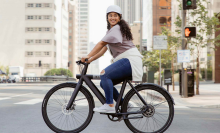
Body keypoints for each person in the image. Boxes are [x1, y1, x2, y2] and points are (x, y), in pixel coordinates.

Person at [81, 5, 143, 113]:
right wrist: (90, 60)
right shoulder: (112, 31)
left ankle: (109, 105)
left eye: (115, 15)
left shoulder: (116, 28)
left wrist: (88, 55)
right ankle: (124, 104)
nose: (113, 18)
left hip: (130, 60)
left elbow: (101, 43)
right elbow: (104, 49)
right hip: (128, 60)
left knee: (104, 74)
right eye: (110, 15)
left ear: (119, 18)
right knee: (103, 83)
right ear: (107, 17)